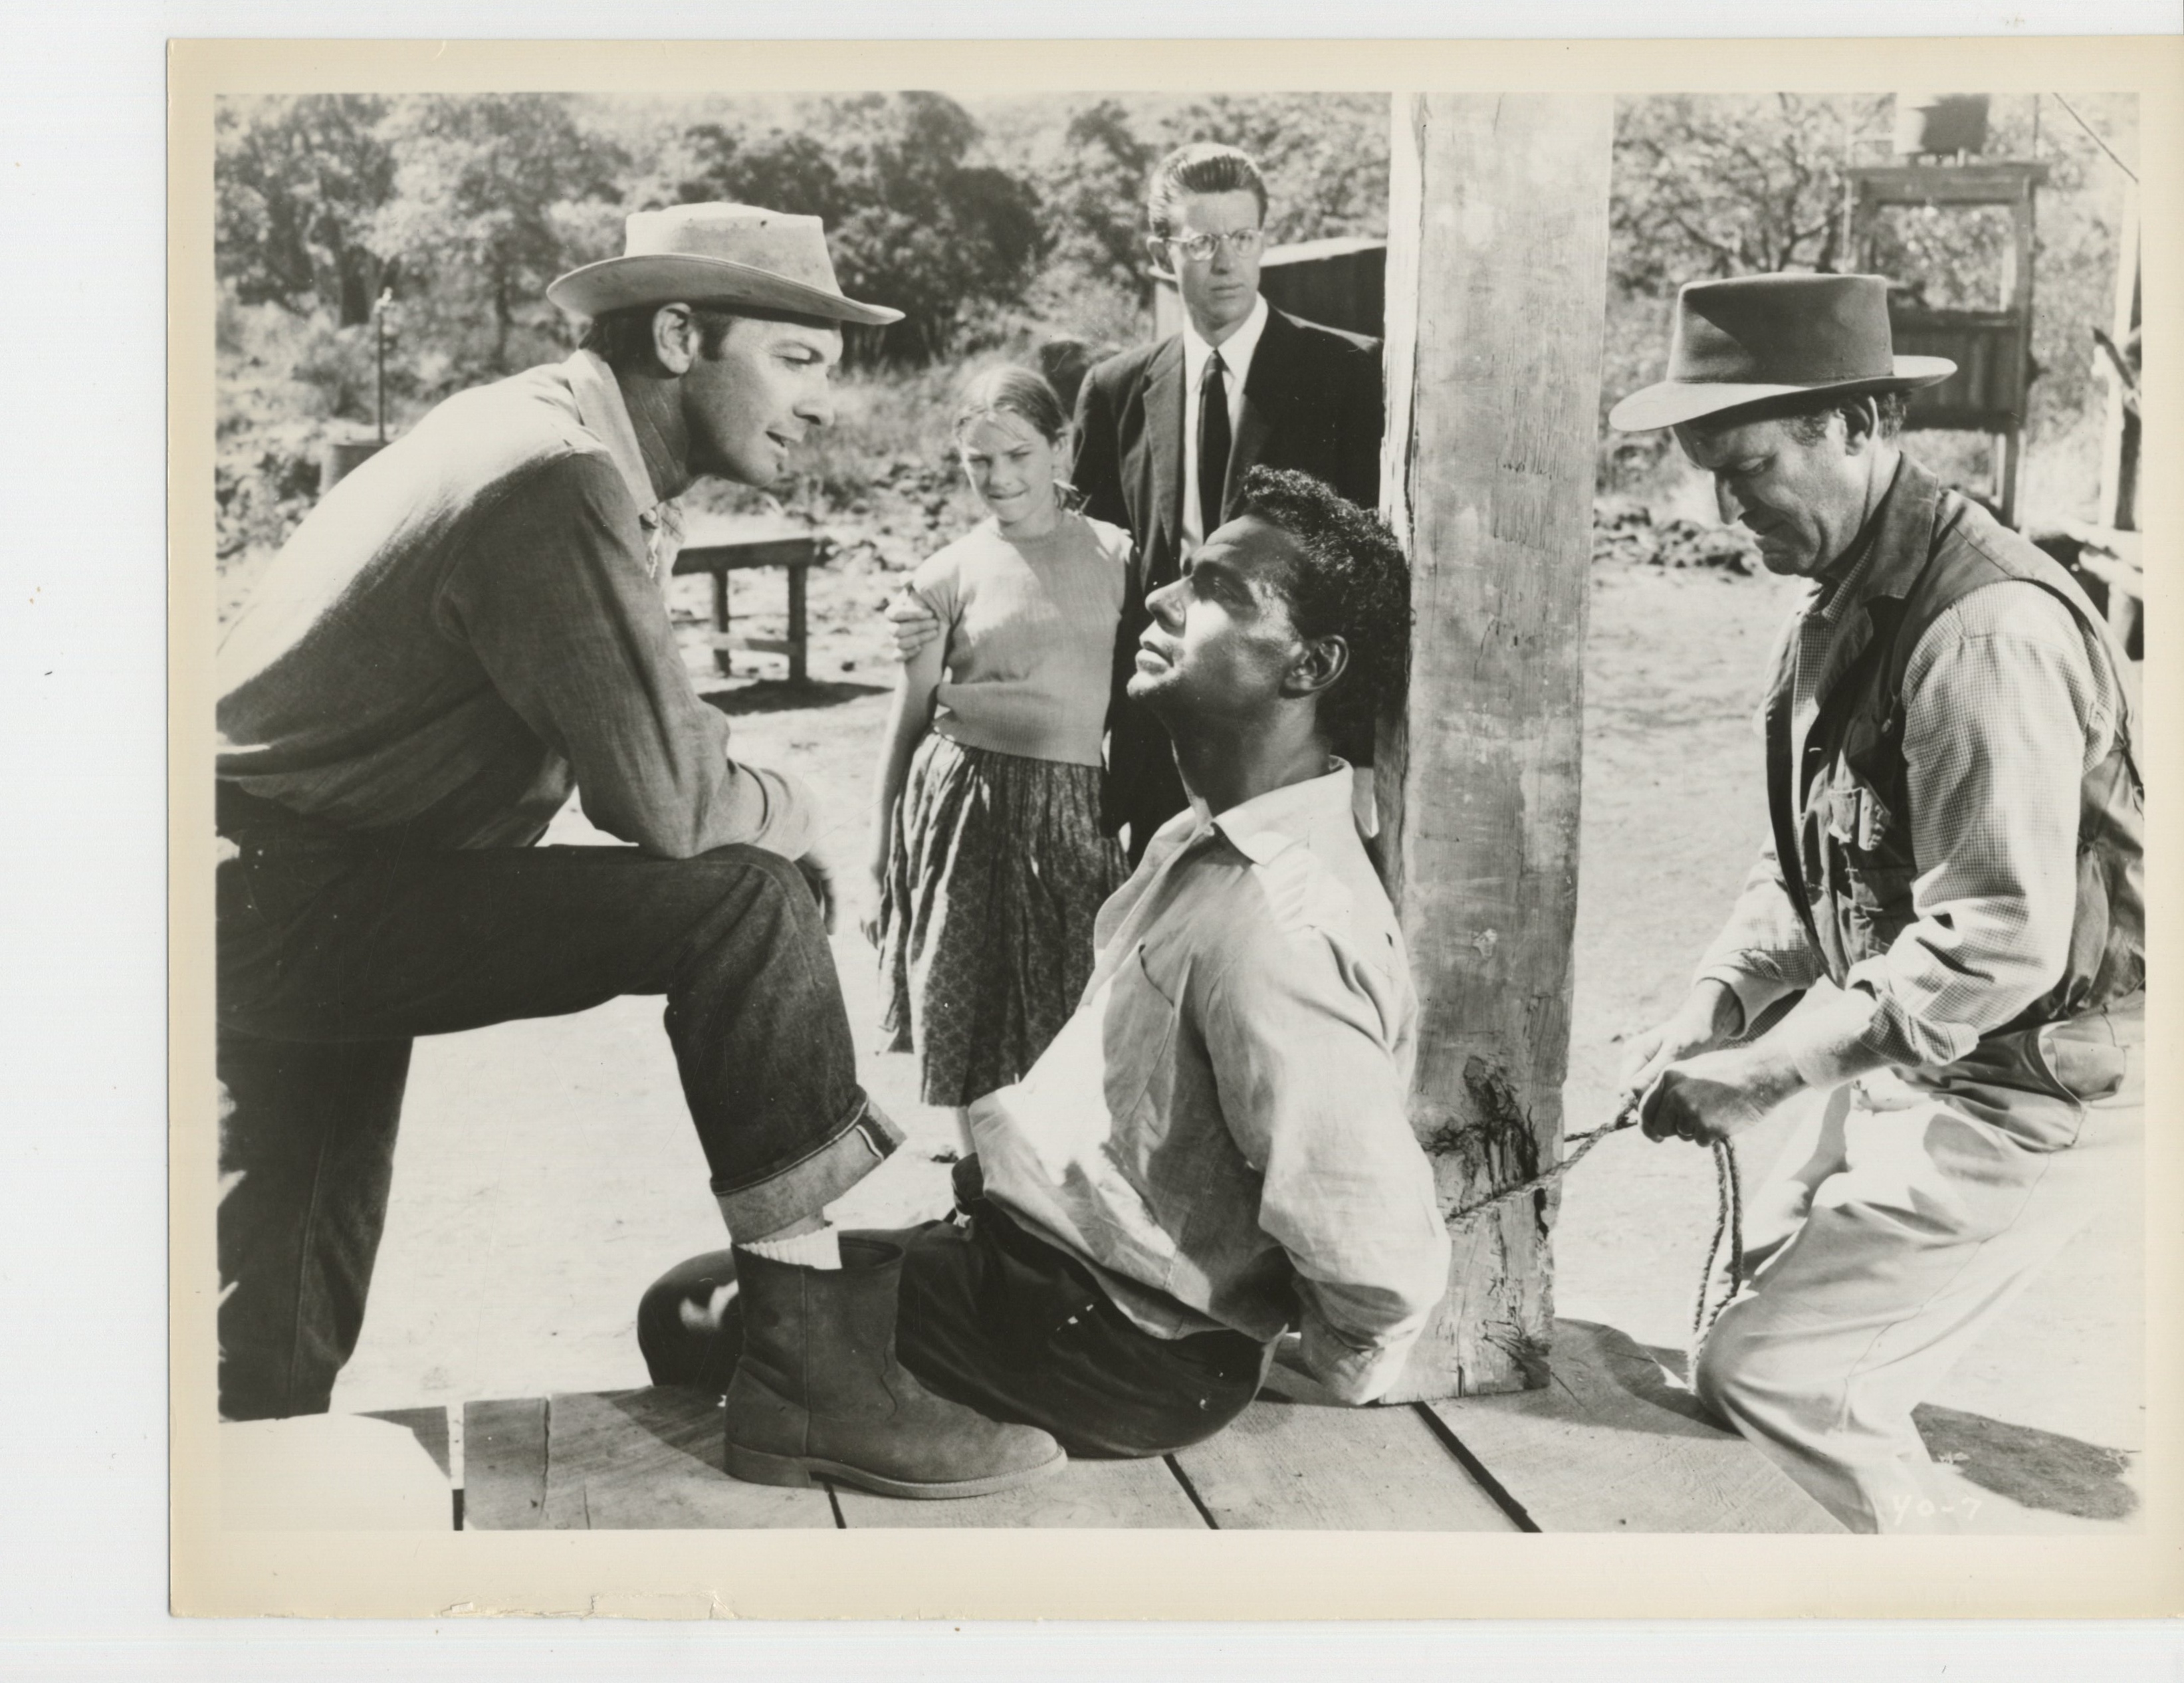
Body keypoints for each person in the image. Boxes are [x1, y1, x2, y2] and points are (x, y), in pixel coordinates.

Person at [215, 201, 1064, 1500]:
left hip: (262, 883)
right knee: (744, 905)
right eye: (797, 361)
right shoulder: (554, 478)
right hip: (294, 889)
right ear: (678, 335)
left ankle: (238, 1499)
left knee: (283, 1282)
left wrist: (736, 790)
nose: (827, 406)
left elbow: (639, 732)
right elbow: (667, 801)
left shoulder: (529, 432)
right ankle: (811, 1376)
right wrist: (799, 815)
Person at [641, 467, 1450, 1458]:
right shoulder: (1209, 845)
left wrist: (1288, 1364)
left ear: (1307, 666)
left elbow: (1373, 1243)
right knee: (701, 1300)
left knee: (699, 1315)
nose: (1160, 597)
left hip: (1106, 1348)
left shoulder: (1282, 921)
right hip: (1038, 1282)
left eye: (1215, 591)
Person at [1609, 273, 2143, 1533]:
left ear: (1854, 425)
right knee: (1743, 1318)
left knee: (1776, 1376)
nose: (1727, 508)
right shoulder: (1847, 595)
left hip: (2034, 1086)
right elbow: (1817, 862)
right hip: (1915, 1057)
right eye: (1712, 475)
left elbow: (1996, 934)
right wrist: (1715, 1005)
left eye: (1748, 469)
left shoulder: (1982, 627)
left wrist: (1763, 1073)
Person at [888, 142, 1384, 863]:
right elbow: (1071, 544)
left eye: (1243, 237)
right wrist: (934, 599)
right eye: (1201, 241)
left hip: (1291, 732)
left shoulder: (1347, 373)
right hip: (1159, 739)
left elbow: (1371, 575)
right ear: (1162, 252)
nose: (1226, 262)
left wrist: (1364, 746)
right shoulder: (1117, 389)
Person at [864, 366, 1132, 1147]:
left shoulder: (1119, 556)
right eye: (979, 461)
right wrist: (881, 850)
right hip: (964, 802)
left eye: (1017, 454)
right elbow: (907, 718)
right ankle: (977, 1175)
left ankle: (1062, 1179)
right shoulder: (943, 574)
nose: (1000, 478)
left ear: (1061, 446)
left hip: (1075, 805)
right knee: (968, 991)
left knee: (1076, 994)